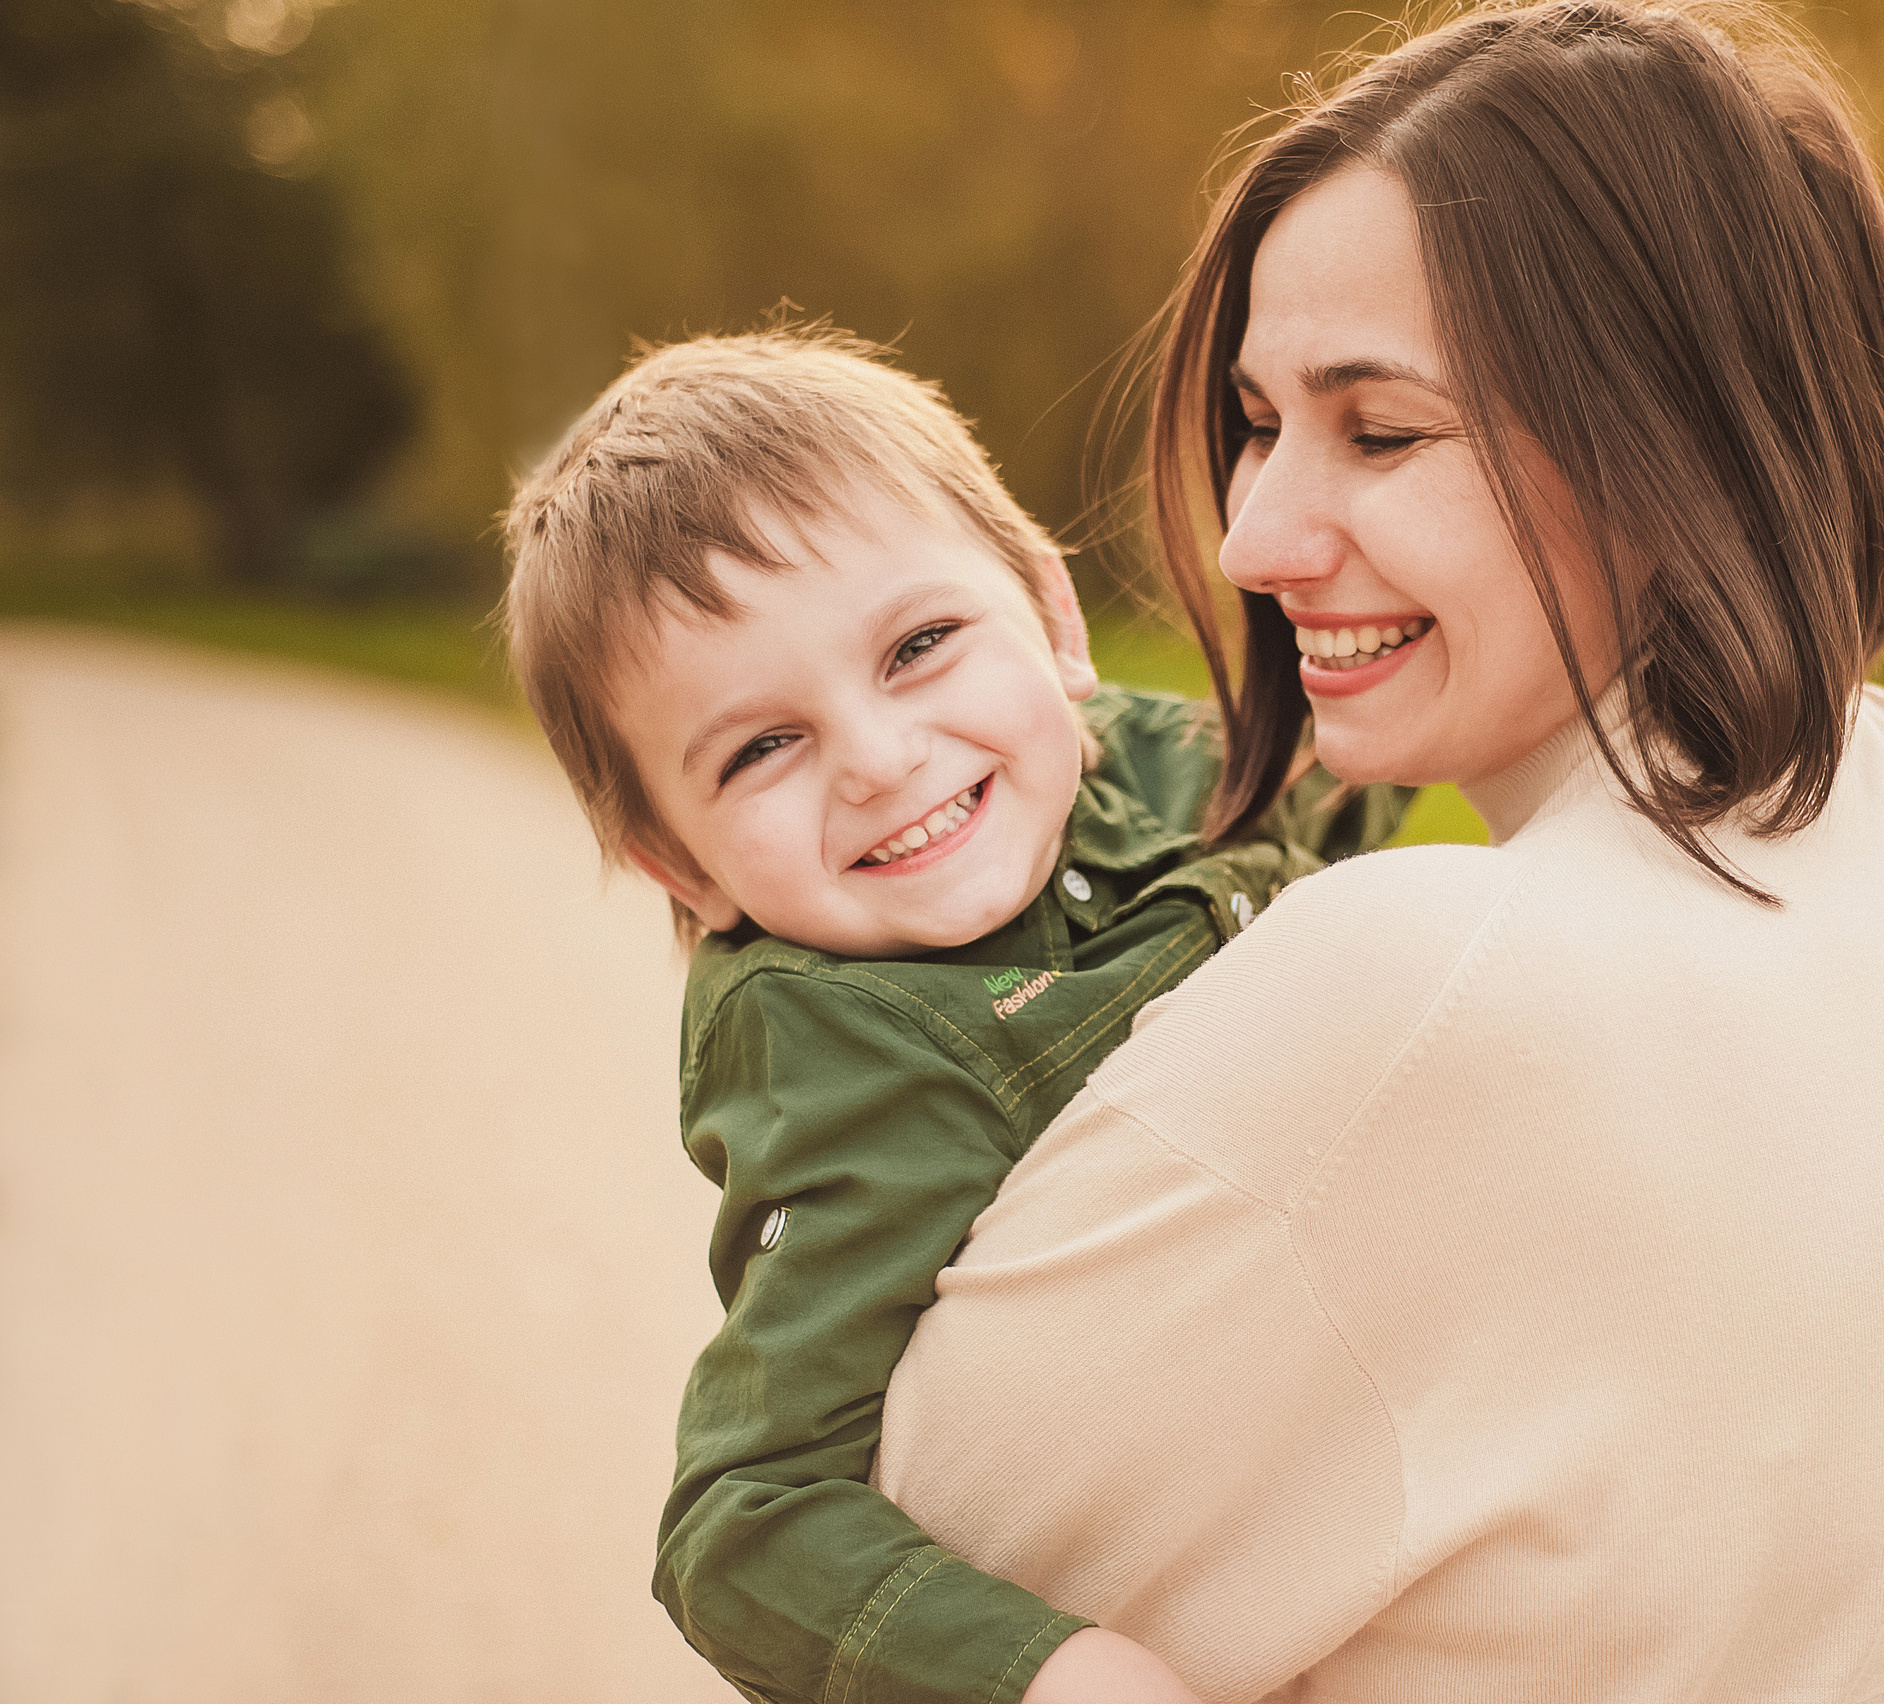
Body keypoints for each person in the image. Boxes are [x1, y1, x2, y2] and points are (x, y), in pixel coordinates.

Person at [871, 3, 1884, 1700]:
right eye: (1258, 421)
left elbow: (888, 1582)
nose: (1252, 539)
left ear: (1673, 440)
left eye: (1381, 432)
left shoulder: (1425, 986)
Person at [501, 328, 1402, 1704]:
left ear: (1054, 624)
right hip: (1212, 1567)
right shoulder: (841, 1051)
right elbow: (743, 1525)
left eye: (919, 647)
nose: (879, 758)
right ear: (680, 867)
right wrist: (1056, 1676)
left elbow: (1384, 786)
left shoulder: (1164, 761)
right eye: (761, 747)